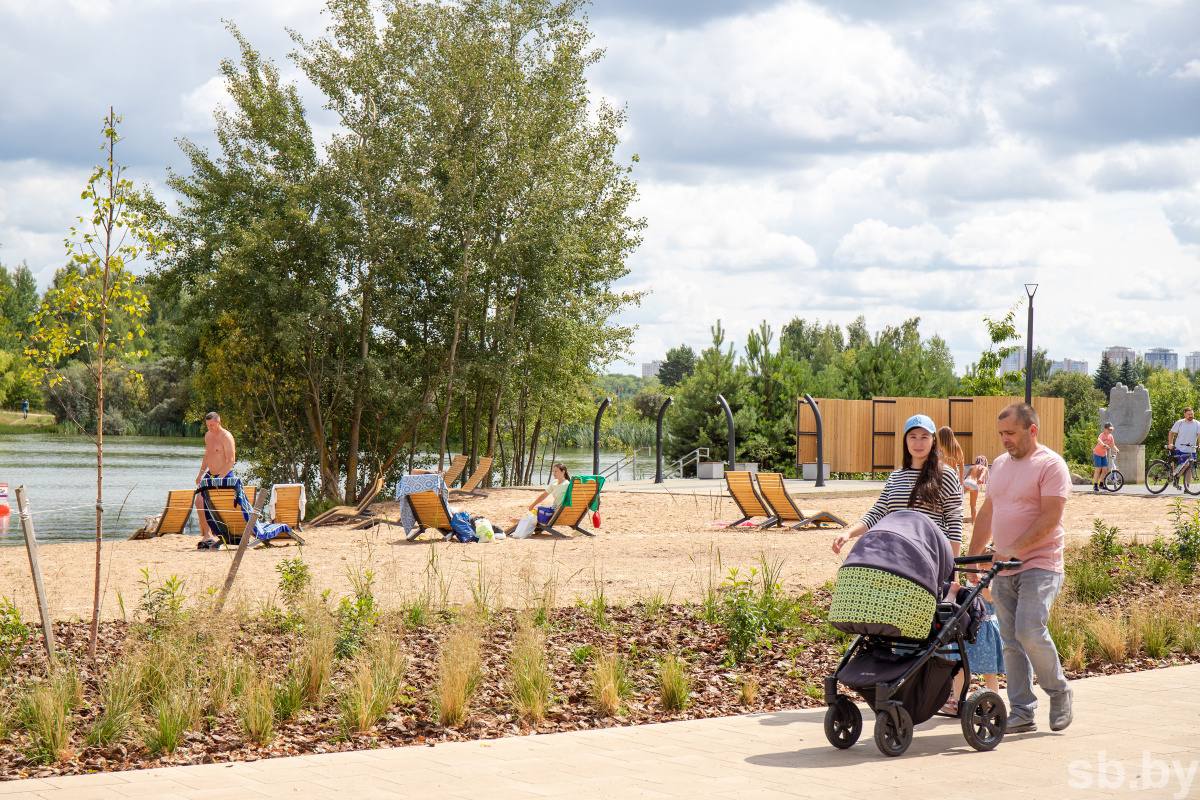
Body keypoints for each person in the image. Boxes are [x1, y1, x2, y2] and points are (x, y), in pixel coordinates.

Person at [968, 402, 1073, 733]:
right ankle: (1023, 710)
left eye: (1011, 433)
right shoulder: (998, 465)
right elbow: (987, 512)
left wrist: (1014, 548)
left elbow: (1050, 517)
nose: (1005, 440)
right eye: (1001, 434)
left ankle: (1059, 691)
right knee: (1011, 641)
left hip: (1041, 564)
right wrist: (974, 555)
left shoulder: (1051, 465)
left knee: (1029, 629)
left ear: (1032, 430)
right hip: (1004, 568)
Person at [832, 414, 963, 556]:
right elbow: (878, 512)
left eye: (924, 437)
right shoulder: (896, 476)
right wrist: (848, 533)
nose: (918, 443)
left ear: (933, 440)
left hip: (930, 555)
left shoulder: (946, 475)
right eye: (913, 436)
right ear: (905, 440)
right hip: (896, 554)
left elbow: (954, 522)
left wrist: (953, 569)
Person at [194, 411, 237, 550]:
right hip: (210, 475)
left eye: (212, 425)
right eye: (207, 425)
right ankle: (207, 535)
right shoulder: (208, 435)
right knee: (199, 500)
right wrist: (201, 473)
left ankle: (229, 532)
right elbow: (207, 455)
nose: (210, 428)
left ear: (219, 422)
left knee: (222, 503)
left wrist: (220, 479)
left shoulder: (226, 437)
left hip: (224, 475)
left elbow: (231, 460)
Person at [1092, 422, 1118, 493]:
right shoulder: (1102, 435)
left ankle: (1101, 484)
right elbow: (1099, 440)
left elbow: (1112, 445)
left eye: (1111, 429)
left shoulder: (1110, 436)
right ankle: (1095, 485)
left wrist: (1116, 449)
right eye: (1109, 429)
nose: (1110, 431)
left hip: (1104, 454)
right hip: (1097, 454)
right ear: (1105, 429)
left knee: (1105, 470)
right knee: (1098, 469)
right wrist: (1104, 445)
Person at [963, 455, 988, 522]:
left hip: (966, 482)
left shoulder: (972, 467)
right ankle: (973, 521)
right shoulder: (984, 468)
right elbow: (981, 478)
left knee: (959, 500)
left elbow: (966, 477)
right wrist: (979, 480)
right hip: (974, 484)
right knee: (973, 505)